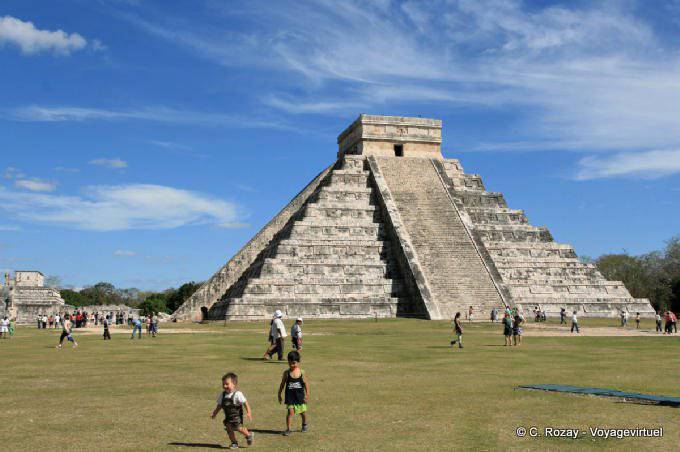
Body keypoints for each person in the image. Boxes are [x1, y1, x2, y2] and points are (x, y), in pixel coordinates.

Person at [211, 372, 254, 449]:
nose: (224, 386)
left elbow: (245, 403)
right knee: (228, 428)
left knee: (239, 428)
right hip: (228, 417)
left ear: (234, 384)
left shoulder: (238, 394)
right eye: (223, 384)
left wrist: (249, 412)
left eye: (227, 384)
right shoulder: (223, 394)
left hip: (236, 417)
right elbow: (219, 405)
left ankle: (249, 435)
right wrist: (215, 413)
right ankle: (234, 443)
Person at [278, 351, 309, 436]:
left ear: (298, 362)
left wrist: (307, 395)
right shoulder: (286, 373)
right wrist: (279, 394)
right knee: (290, 412)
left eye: (294, 363)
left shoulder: (302, 372)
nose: (292, 365)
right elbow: (282, 384)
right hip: (290, 397)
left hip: (300, 396)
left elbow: (305, 384)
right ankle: (288, 429)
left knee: (302, 412)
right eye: (290, 363)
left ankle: (304, 424)